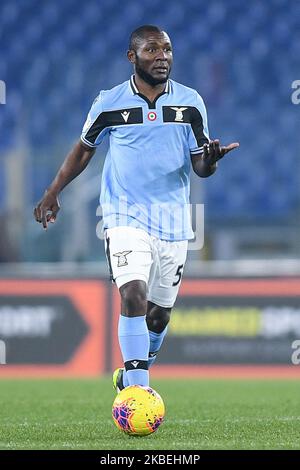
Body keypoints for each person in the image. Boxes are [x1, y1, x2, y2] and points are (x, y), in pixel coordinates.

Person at [34, 25, 239, 391]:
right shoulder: (109, 102)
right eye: (152, 50)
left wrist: (212, 160)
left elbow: (200, 168)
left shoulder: (190, 103)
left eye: (168, 50)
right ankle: (136, 392)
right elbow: (84, 149)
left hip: (173, 221)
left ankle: (132, 372)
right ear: (132, 57)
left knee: (158, 316)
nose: (162, 57)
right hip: (123, 215)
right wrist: (53, 191)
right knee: (133, 295)